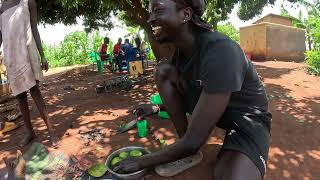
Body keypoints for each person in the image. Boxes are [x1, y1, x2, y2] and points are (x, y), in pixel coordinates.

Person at [116, 0, 272, 179]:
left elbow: (194, 142)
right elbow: (194, 98)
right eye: (151, 12)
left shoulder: (220, 50)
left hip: (246, 121)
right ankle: (187, 152)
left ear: (186, 15)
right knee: (163, 71)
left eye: (157, 11)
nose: (150, 19)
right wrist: (155, 108)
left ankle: (189, 148)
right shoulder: (180, 55)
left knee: (229, 176)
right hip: (218, 113)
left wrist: (142, 161)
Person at [0, 0, 57, 146]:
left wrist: (42, 55)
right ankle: (30, 132)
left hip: (26, 51)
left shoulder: (28, 2)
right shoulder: (1, 7)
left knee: (34, 90)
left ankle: (50, 130)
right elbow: (1, 34)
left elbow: (34, 28)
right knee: (20, 95)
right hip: (11, 55)